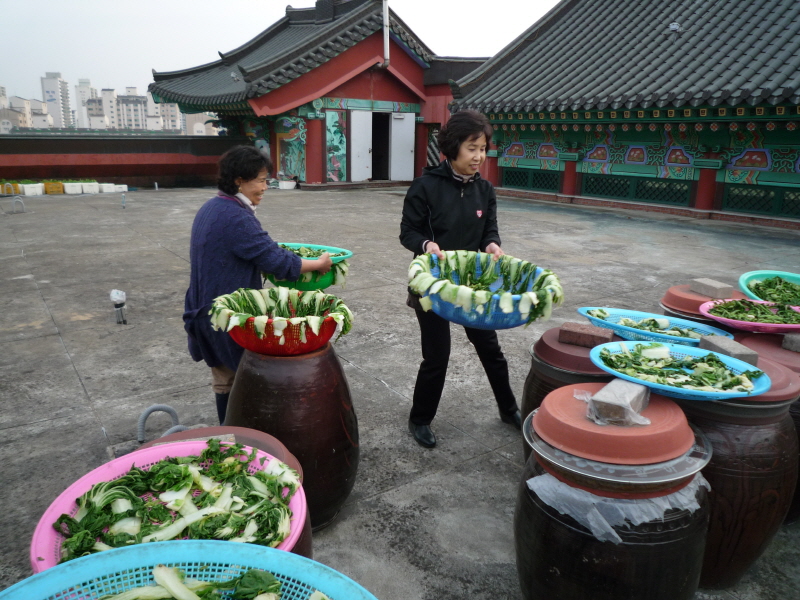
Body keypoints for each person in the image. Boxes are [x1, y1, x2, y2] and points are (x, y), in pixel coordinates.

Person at [183, 145, 332, 424]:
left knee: (225, 378)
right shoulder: (235, 216)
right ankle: (239, 437)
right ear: (239, 180)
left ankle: (230, 435)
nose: (265, 188)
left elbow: (256, 251)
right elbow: (277, 261)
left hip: (207, 307)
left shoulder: (213, 206)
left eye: (267, 181)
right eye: (261, 180)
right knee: (238, 380)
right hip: (223, 314)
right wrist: (318, 264)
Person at [400, 110, 522, 448]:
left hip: (471, 284)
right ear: (452, 148)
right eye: (472, 148)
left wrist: (492, 245)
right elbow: (408, 232)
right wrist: (426, 245)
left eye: (482, 148)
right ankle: (420, 419)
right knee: (437, 356)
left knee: (490, 349)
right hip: (432, 285)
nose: (479, 156)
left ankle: (509, 409)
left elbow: (489, 231)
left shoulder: (485, 190)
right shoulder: (425, 186)